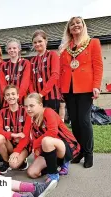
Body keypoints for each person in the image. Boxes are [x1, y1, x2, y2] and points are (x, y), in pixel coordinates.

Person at [58, 16, 103, 168]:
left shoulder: (93, 43)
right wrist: (60, 88)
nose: (75, 26)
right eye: (72, 24)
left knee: (84, 120)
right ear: (69, 29)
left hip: (85, 87)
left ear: (83, 26)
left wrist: (96, 85)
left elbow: (97, 65)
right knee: (75, 122)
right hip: (69, 89)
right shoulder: (65, 47)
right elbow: (62, 70)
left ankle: (89, 153)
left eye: (78, 23)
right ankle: (80, 151)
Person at [23, 93, 80, 182]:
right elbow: (34, 139)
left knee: (46, 140)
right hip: (48, 148)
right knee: (32, 173)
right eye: (26, 106)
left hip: (64, 145)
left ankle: (53, 174)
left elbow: (52, 132)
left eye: (31, 106)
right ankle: (56, 164)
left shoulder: (48, 112)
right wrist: (37, 156)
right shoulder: (32, 119)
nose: (28, 109)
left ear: (40, 105)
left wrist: (35, 144)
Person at [0, 85, 30, 174]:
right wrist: (13, 135)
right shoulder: (3, 112)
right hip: (10, 143)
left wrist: (17, 151)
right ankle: (6, 162)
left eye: (13, 94)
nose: (11, 96)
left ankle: (22, 161)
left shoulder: (26, 111)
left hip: (23, 145)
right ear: (5, 98)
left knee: (14, 165)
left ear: (18, 95)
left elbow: (26, 134)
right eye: (8, 95)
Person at [29, 30, 61, 113]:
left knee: (51, 124)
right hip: (37, 99)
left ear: (46, 41)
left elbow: (55, 76)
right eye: (35, 42)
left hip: (51, 97)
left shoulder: (53, 55)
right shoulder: (32, 60)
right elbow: (31, 80)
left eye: (40, 41)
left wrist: (42, 94)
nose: (37, 44)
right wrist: (34, 95)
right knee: (39, 123)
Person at [2, 38, 31, 104]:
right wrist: (9, 97)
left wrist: (17, 97)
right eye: (9, 48)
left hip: (22, 99)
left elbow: (25, 83)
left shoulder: (26, 63)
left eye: (14, 48)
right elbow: (3, 85)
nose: (12, 50)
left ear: (19, 49)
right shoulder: (3, 65)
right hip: (9, 100)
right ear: (7, 50)